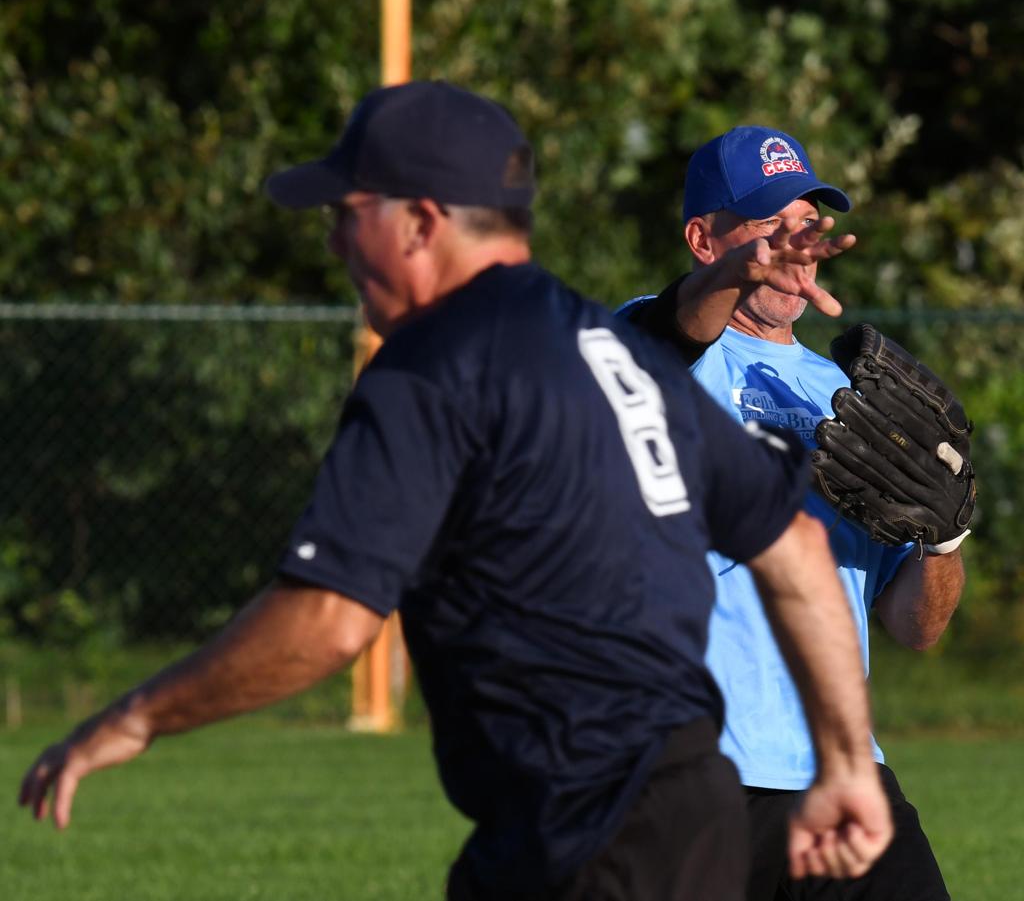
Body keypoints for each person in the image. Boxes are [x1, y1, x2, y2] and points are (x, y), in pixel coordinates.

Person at [19, 86, 893, 901]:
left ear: (420, 222)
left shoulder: (435, 365)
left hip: (584, 831)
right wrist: (849, 762)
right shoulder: (608, 350)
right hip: (685, 810)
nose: (334, 244)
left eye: (347, 215)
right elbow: (796, 547)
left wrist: (138, 716)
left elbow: (329, 620)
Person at [619, 125, 963, 901]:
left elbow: (916, 625)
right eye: (767, 224)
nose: (794, 244)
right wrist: (733, 277)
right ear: (703, 240)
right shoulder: (651, 352)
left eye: (805, 223)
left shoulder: (851, 399)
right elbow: (670, 332)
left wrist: (945, 539)